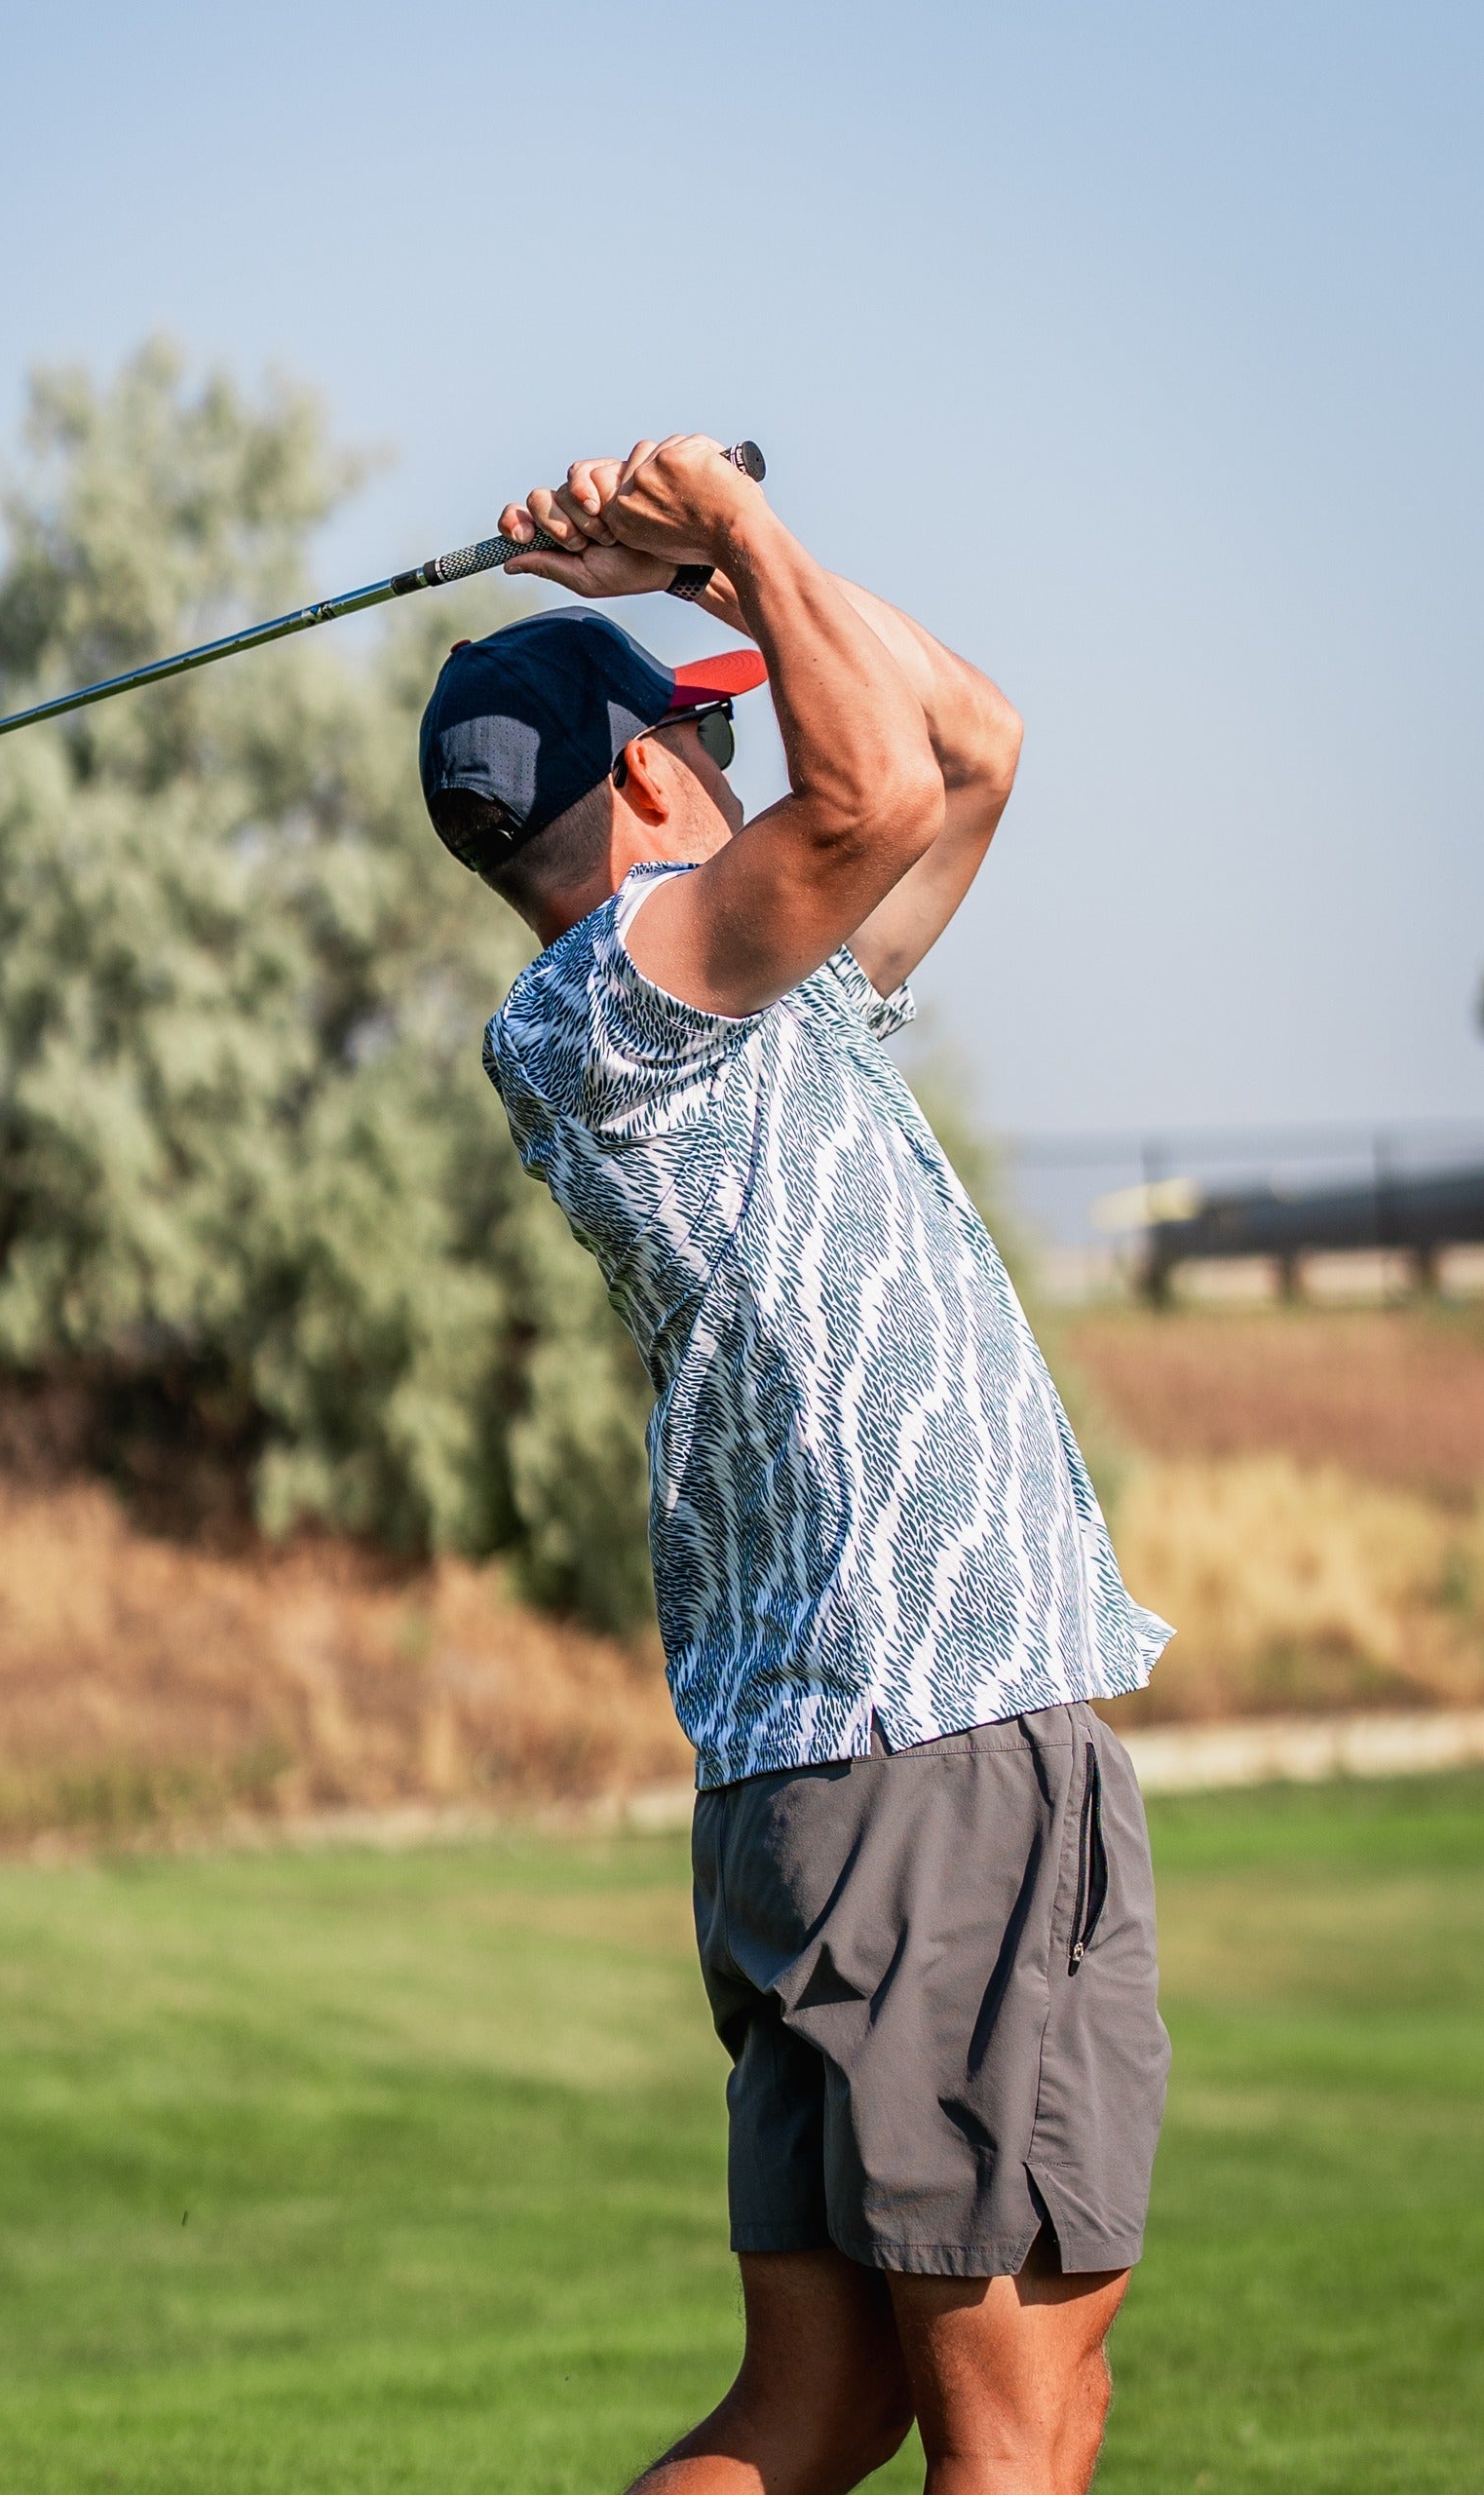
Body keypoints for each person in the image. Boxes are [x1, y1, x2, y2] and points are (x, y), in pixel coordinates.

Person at [416, 437, 1175, 2495]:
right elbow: (881, 789)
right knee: (1021, 2422)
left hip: (855, 1767)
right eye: (704, 740)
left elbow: (973, 744)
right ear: (656, 779)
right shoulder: (627, 1005)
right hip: (921, 1749)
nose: (744, 765)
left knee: (817, 2408)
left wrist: (728, 577)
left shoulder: (757, 997)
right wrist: (729, 534)